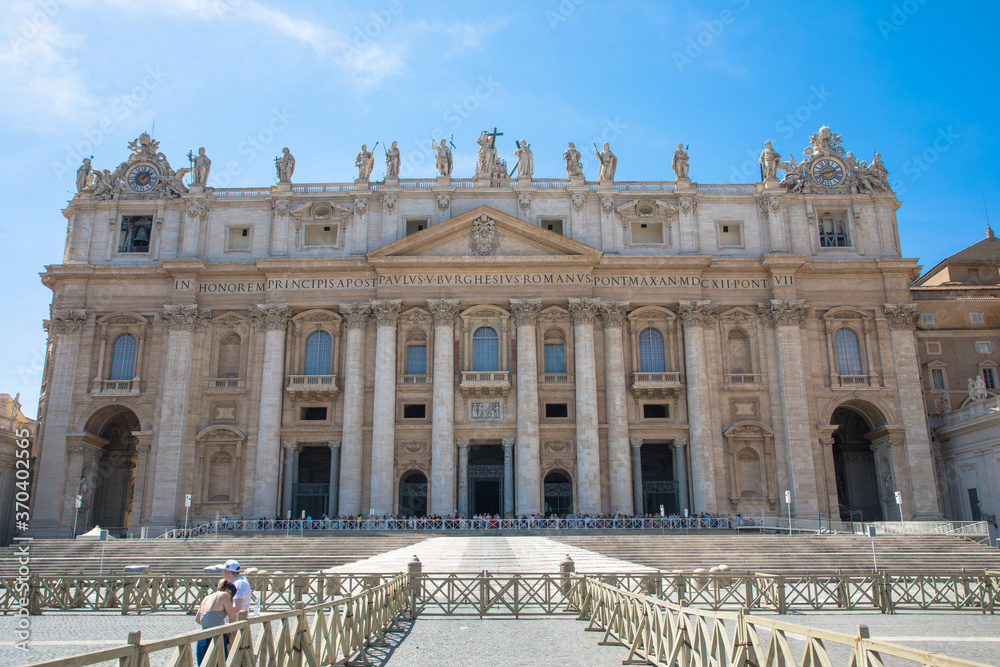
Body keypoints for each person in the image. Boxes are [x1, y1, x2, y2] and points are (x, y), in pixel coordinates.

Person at [195, 579, 237, 665]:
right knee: (220, 664)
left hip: (202, 637)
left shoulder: (207, 597)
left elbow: (198, 619)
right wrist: (229, 631)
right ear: (229, 592)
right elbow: (232, 617)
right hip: (217, 637)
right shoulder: (224, 595)